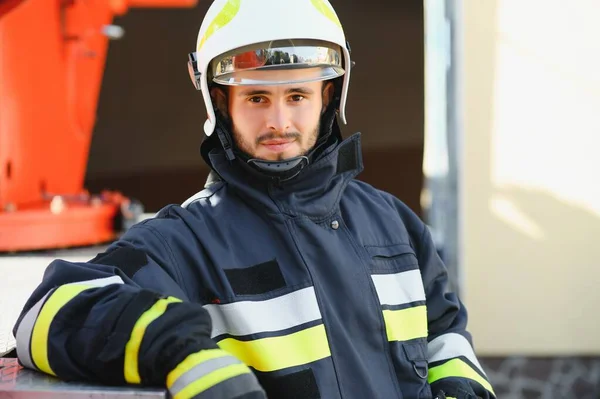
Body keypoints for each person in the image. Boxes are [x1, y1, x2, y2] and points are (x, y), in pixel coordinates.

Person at [12, 1, 496, 398]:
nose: (279, 124)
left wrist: (458, 384)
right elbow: (44, 315)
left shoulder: (392, 223)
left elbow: (445, 330)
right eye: (257, 98)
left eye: (298, 96)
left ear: (330, 95)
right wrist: (182, 351)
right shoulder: (187, 243)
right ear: (219, 102)